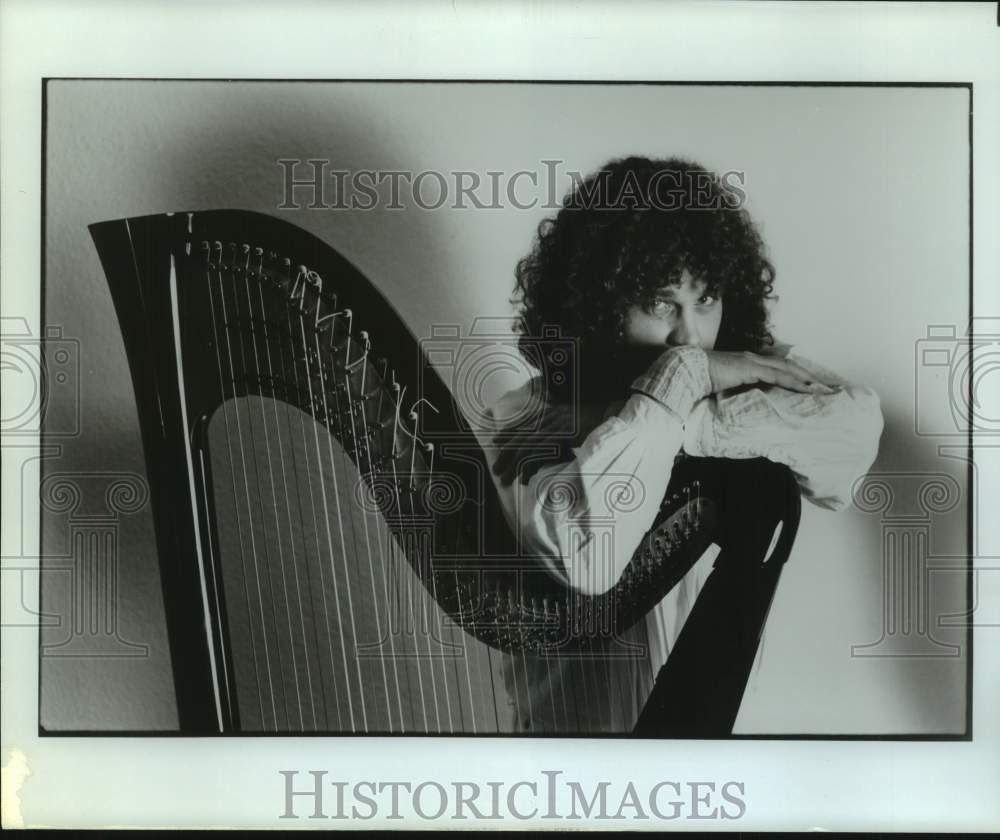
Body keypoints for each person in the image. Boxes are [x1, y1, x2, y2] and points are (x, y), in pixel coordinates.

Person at [477, 156, 884, 734]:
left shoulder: (727, 376)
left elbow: (854, 430)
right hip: (564, 760)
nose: (690, 337)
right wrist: (681, 383)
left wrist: (683, 412)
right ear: (596, 303)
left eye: (707, 300)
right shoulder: (517, 422)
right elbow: (589, 558)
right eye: (661, 304)